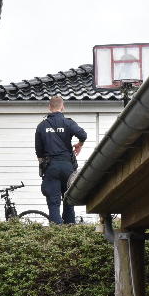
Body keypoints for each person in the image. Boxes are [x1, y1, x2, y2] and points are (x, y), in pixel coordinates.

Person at [35, 96, 87, 224]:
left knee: (53, 203)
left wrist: (43, 166)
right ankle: (69, 232)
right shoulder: (68, 122)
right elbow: (83, 135)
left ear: (49, 107)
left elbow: (39, 151)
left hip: (51, 167)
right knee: (69, 200)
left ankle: (57, 234)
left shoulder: (42, 126)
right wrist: (79, 144)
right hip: (67, 167)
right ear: (62, 107)